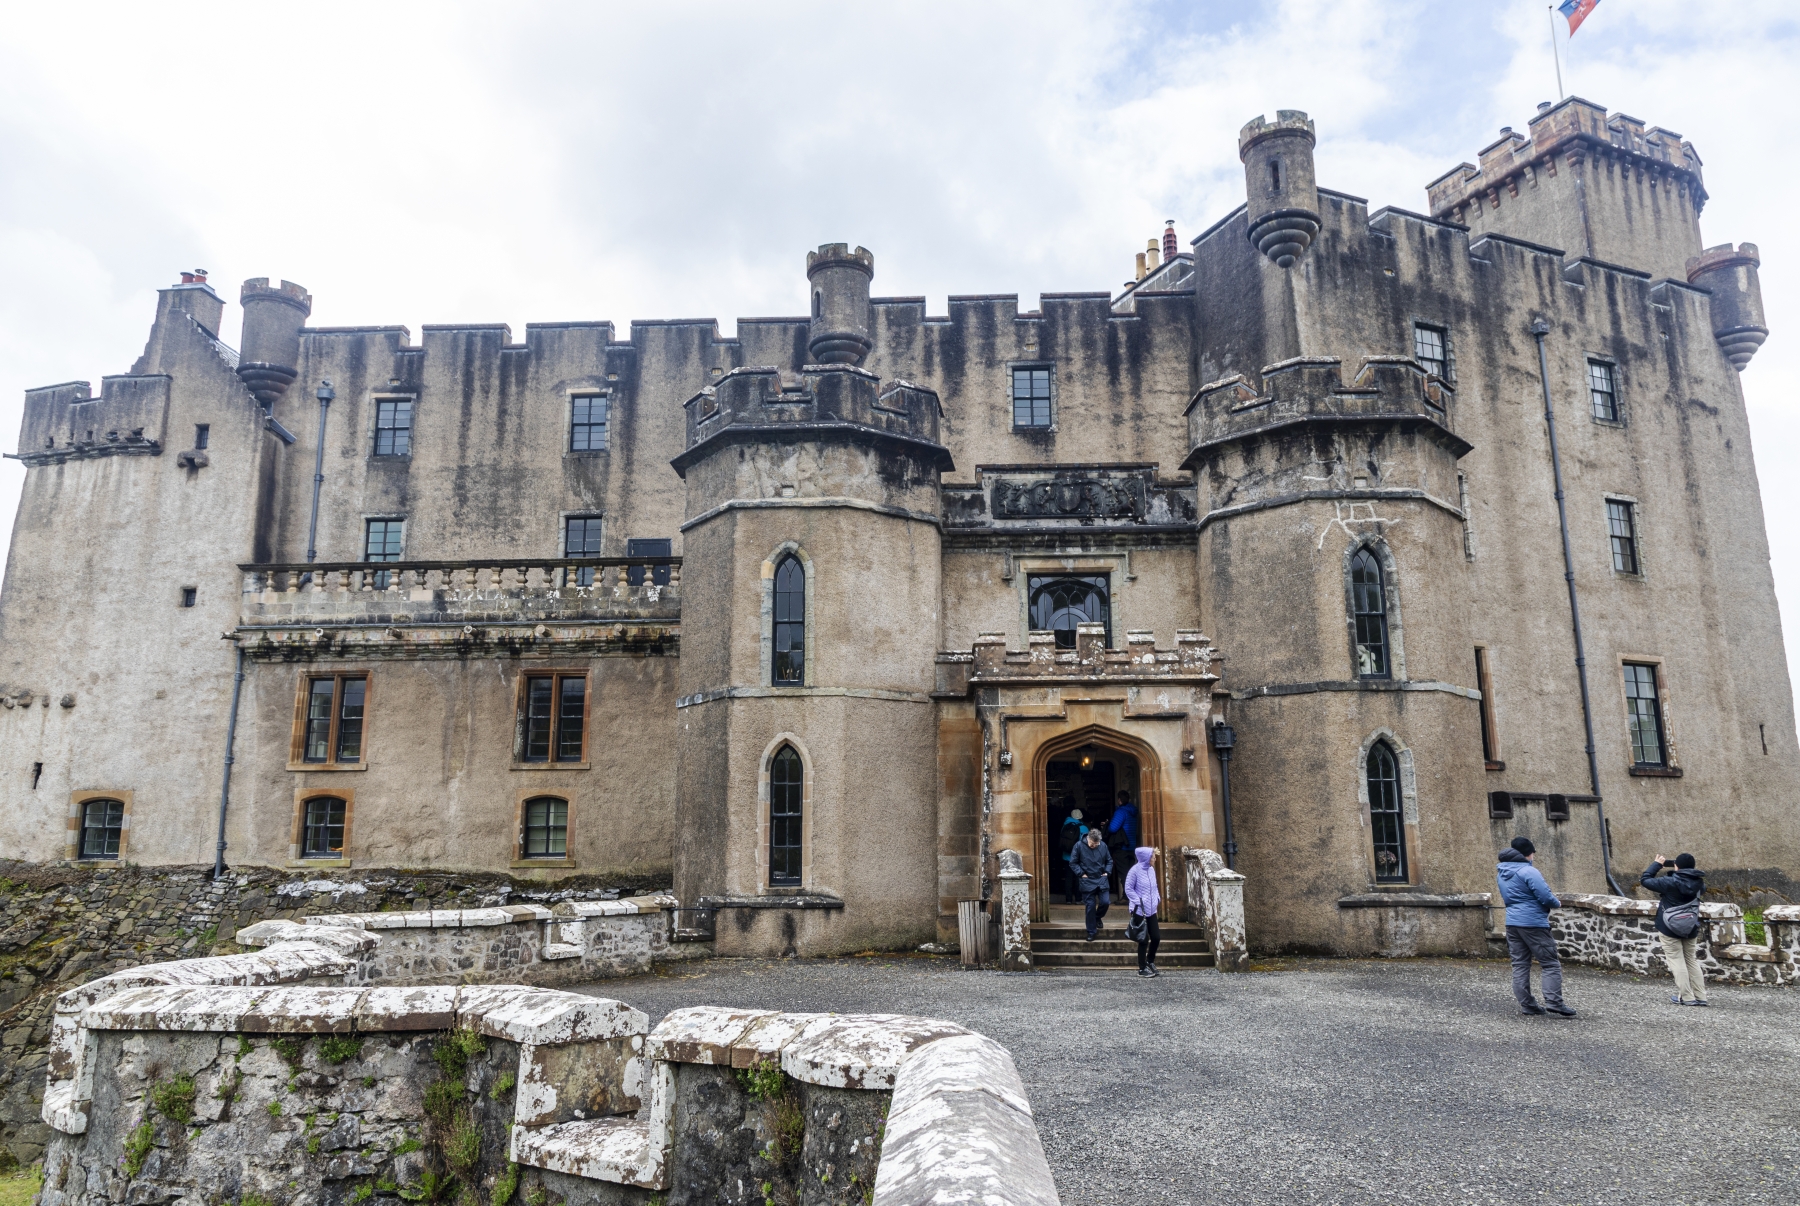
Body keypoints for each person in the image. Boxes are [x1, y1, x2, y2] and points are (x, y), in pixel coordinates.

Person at [1495, 837, 1576, 1018]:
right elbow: (1545, 896)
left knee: (1520, 965)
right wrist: (1557, 903)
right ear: (1528, 854)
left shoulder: (1501, 872)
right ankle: (1554, 1002)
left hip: (1512, 923)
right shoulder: (1528, 871)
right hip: (1533, 923)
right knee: (1550, 963)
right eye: (1532, 853)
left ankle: (1528, 1005)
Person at [1642, 853, 1709, 1007]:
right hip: (1690, 927)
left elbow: (1645, 880)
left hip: (1669, 927)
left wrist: (1657, 864)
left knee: (1677, 960)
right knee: (1691, 960)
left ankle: (1687, 997)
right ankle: (1701, 996)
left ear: (1676, 866)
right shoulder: (1700, 884)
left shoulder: (1669, 882)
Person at [1069, 827, 1113, 941]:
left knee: (1105, 902)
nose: (1094, 845)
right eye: (1092, 843)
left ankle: (1097, 918)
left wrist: (1107, 872)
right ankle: (1091, 931)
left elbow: (1109, 860)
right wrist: (1081, 873)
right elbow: (1073, 862)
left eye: (1096, 843)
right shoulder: (1078, 846)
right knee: (1090, 907)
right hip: (1087, 879)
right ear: (1088, 839)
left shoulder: (1103, 846)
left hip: (1101, 878)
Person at [1124, 846, 1161, 977]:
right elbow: (1128, 888)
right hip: (1139, 910)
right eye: (1153, 856)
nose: (1155, 859)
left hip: (1151, 910)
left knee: (1156, 938)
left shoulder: (1151, 870)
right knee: (1143, 940)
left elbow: (1155, 887)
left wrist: (1157, 898)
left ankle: (1150, 961)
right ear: (1146, 858)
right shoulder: (1134, 871)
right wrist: (1139, 901)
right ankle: (1142, 968)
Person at [1107, 791, 1140, 892]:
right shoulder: (1133, 811)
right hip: (1132, 845)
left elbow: (1112, 828)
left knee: (1124, 873)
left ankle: (1126, 896)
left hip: (1122, 846)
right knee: (1131, 872)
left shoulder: (1121, 811)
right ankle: (1131, 895)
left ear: (1119, 800)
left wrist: (1107, 824)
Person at [1058, 810, 1088, 904]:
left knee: (1068, 878)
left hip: (1067, 856)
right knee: (1079, 878)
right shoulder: (1084, 828)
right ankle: (1078, 899)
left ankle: (1068, 899)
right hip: (1079, 857)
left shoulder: (1065, 826)